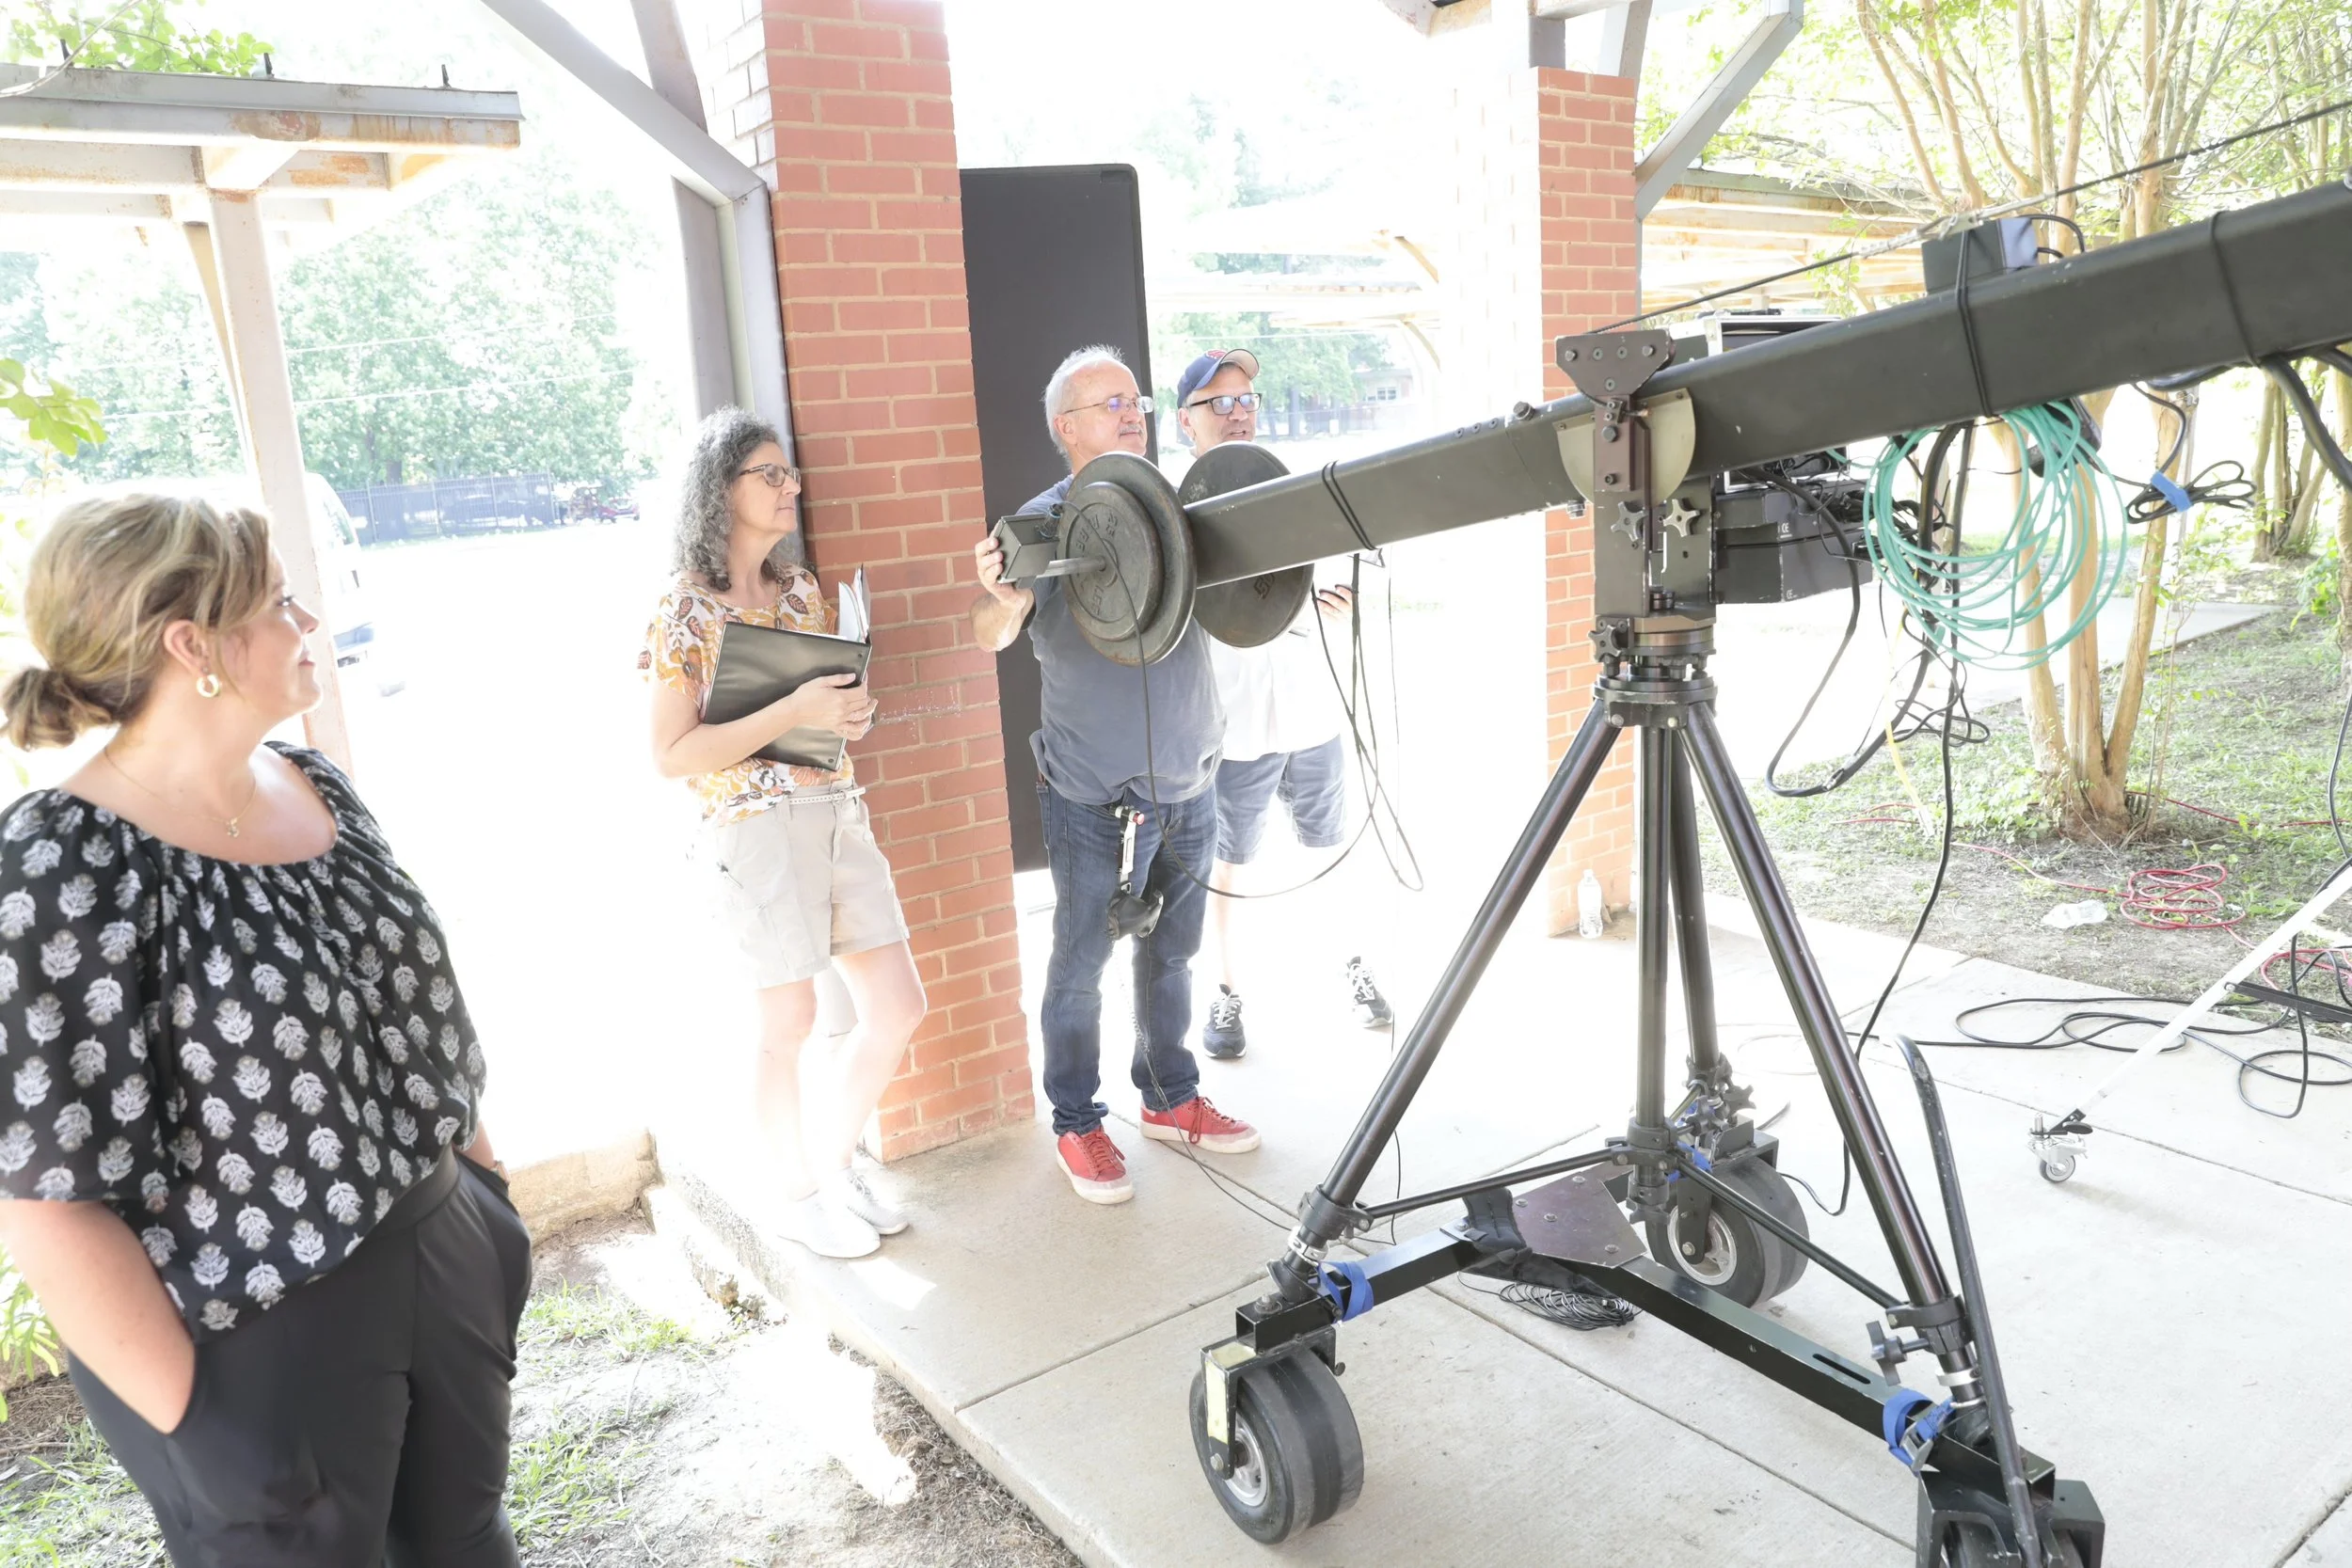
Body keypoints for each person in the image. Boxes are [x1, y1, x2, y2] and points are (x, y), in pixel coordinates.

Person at [0, 489, 532, 1566]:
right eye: (281, 601)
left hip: (440, 1253)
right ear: (192, 644)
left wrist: (486, 1206)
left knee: (471, 1544)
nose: (310, 623)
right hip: (255, 1333)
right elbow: (46, 1191)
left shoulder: (313, 780)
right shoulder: (61, 861)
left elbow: (413, 1012)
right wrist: (195, 1416)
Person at [970, 344, 1261, 1205]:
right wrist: (1004, 603)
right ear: (1067, 427)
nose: (1131, 414)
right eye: (1110, 404)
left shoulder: (1176, 503)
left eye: (1136, 402)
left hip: (1189, 778)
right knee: (1080, 963)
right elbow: (987, 630)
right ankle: (1075, 1120)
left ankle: (1169, 1097)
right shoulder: (1042, 522)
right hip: (1091, 792)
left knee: (1174, 954)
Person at [644, 408, 926, 1259]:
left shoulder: (801, 589)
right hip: (751, 831)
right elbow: (671, 755)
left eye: (789, 473)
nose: (789, 486)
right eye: (769, 473)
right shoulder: (684, 610)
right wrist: (795, 707)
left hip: (836, 808)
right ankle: (793, 1196)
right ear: (719, 488)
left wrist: (844, 713)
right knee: (789, 1018)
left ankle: (830, 1165)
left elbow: (818, 709)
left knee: (898, 1005)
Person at [1172, 349, 1394, 1060]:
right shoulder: (1175, 512)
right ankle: (1227, 991)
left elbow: (1354, 568)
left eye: (1246, 400)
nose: (1237, 413)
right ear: (1186, 421)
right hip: (1232, 727)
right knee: (1229, 867)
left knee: (1330, 851)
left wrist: (1348, 596)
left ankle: (1355, 964)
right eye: (1218, 402)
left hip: (1310, 713)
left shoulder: (1300, 488)